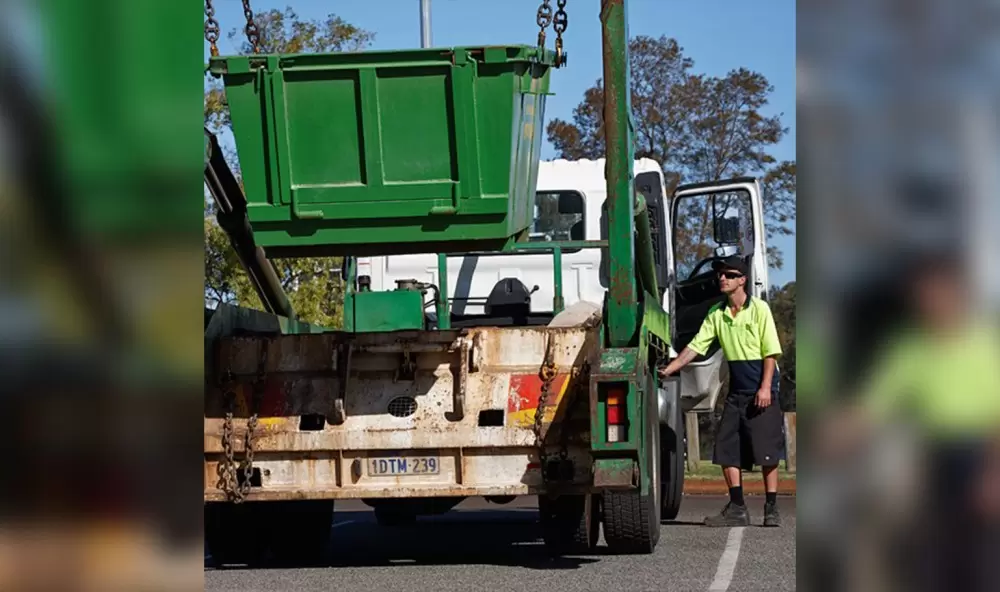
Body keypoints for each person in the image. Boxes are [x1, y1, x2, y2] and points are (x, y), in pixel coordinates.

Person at [658, 255, 784, 527]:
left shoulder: (759, 309)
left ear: (742, 280)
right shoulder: (717, 312)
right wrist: (671, 368)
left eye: (728, 275)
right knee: (726, 448)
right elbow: (695, 346)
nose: (722, 279)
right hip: (737, 390)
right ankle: (737, 506)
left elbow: (770, 352)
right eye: (720, 275)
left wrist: (765, 388)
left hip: (762, 386)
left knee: (767, 451)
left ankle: (771, 507)